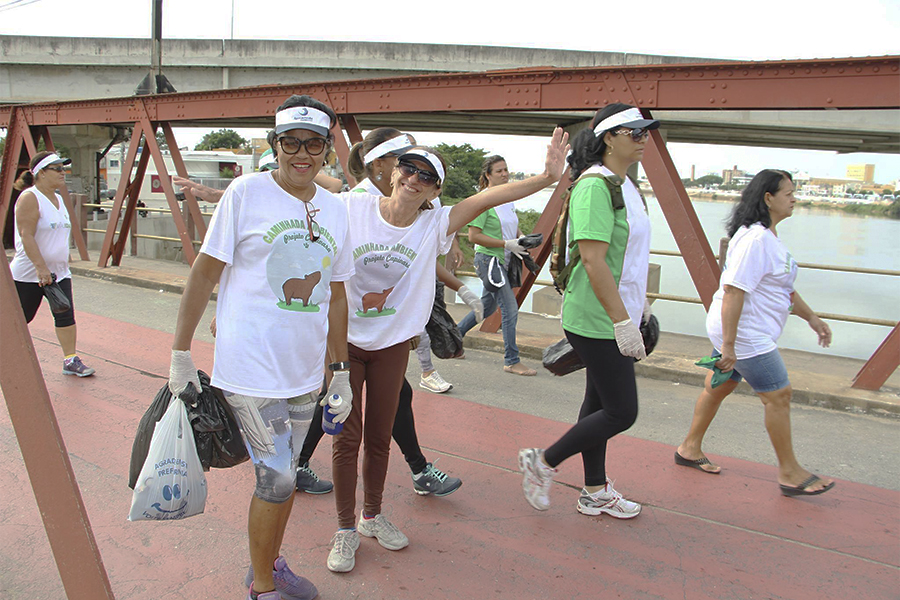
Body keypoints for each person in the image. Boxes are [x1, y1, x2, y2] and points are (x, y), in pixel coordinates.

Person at [327, 129, 569, 573]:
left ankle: (371, 516)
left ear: (436, 192)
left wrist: (546, 178)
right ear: (394, 171)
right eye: (408, 169)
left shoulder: (433, 223)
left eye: (426, 177)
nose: (413, 179)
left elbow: (489, 199)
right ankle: (344, 530)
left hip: (392, 345)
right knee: (348, 439)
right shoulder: (352, 208)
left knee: (379, 439)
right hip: (344, 343)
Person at [167, 95, 354, 600]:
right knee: (275, 478)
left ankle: (267, 563)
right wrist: (180, 353)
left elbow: (336, 292)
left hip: (303, 372)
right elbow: (206, 271)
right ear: (275, 145)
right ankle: (264, 589)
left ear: (326, 149)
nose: (302, 153)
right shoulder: (246, 193)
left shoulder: (335, 210)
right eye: (290, 142)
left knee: (287, 477)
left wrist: (340, 372)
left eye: (313, 143)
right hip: (248, 372)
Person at [518, 103, 659, 519]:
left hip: (616, 312)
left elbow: (625, 257)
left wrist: (639, 306)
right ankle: (542, 462)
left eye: (646, 132)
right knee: (621, 411)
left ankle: (594, 491)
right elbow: (594, 260)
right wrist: (621, 322)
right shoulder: (596, 186)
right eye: (634, 132)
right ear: (609, 138)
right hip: (596, 318)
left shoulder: (625, 185)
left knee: (598, 406)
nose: (643, 138)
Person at [675, 169, 835, 497]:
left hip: (740, 328)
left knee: (722, 385)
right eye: (788, 193)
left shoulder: (765, 237)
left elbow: (783, 290)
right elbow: (734, 291)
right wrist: (730, 346)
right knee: (778, 394)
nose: (794, 199)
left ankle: (689, 448)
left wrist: (812, 318)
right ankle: (789, 472)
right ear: (768, 198)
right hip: (745, 332)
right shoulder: (756, 240)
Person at [11, 151, 95, 377]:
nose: (62, 173)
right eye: (57, 169)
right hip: (29, 274)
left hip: (59, 273)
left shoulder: (58, 199)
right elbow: (26, 235)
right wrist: (41, 268)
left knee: (65, 315)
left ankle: (70, 360)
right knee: (20, 318)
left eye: (63, 168)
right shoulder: (30, 197)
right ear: (40, 173)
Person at [457, 155, 536, 376]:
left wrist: (521, 238)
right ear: (488, 176)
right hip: (489, 261)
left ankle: (452, 339)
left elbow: (514, 227)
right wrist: (505, 243)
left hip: (505, 260)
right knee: (509, 309)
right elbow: (473, 236)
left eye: (506, 170)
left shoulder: (507, 199)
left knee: (487, 307)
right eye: (499, 171)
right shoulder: (484, 200)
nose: (504, 174)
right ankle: (512, 360)